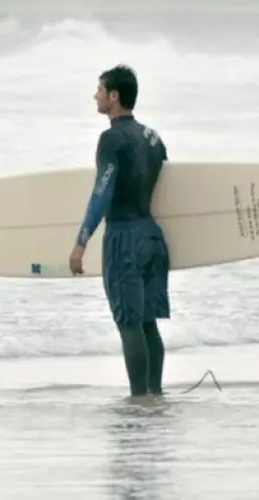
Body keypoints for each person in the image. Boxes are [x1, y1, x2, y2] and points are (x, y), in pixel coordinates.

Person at [68, 64, 171, 398]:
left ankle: (139, 399)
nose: (95, 94)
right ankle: (154, 395)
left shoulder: (111, 139)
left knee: (129, 324)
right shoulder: (152, 138)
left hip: (124, 239)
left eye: (99, 89)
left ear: (114, 96)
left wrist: (81, 242)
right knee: (147, 324)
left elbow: (103, 191)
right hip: (153, 239)